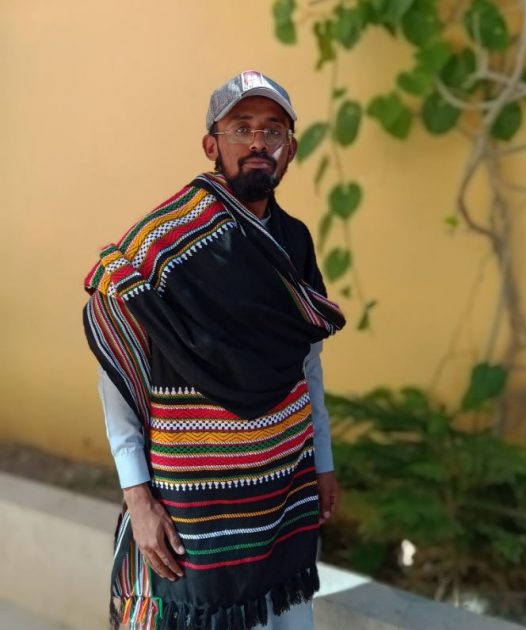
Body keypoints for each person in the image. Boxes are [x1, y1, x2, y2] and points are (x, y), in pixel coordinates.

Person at [83, 70, 345, 630]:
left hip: (285, 491)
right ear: (212, 145)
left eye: (273, 131)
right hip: (197, 509)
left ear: (290, 149)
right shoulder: (165, 244)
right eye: (241, 128)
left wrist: (322, 460)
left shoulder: (294, 241)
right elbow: (119, 359)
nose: (258, 143)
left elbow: (307, 363)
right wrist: (138, 497)